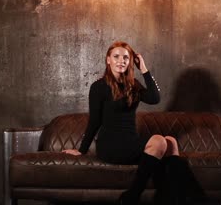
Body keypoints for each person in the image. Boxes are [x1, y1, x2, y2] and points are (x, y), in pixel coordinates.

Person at [63, 41, 187, 205]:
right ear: (108, 60)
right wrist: (82, 150)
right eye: (116, 56)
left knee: (170, 141)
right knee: (159, 140)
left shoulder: (133, 85)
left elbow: (154, 98)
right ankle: (132, 196)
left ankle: (174, 197)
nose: (121, 60)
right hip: (110, 145)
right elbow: (94, 121)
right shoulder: (98, 87)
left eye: (125, 58)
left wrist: (144, 69)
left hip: (131, 143)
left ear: (130, 62)